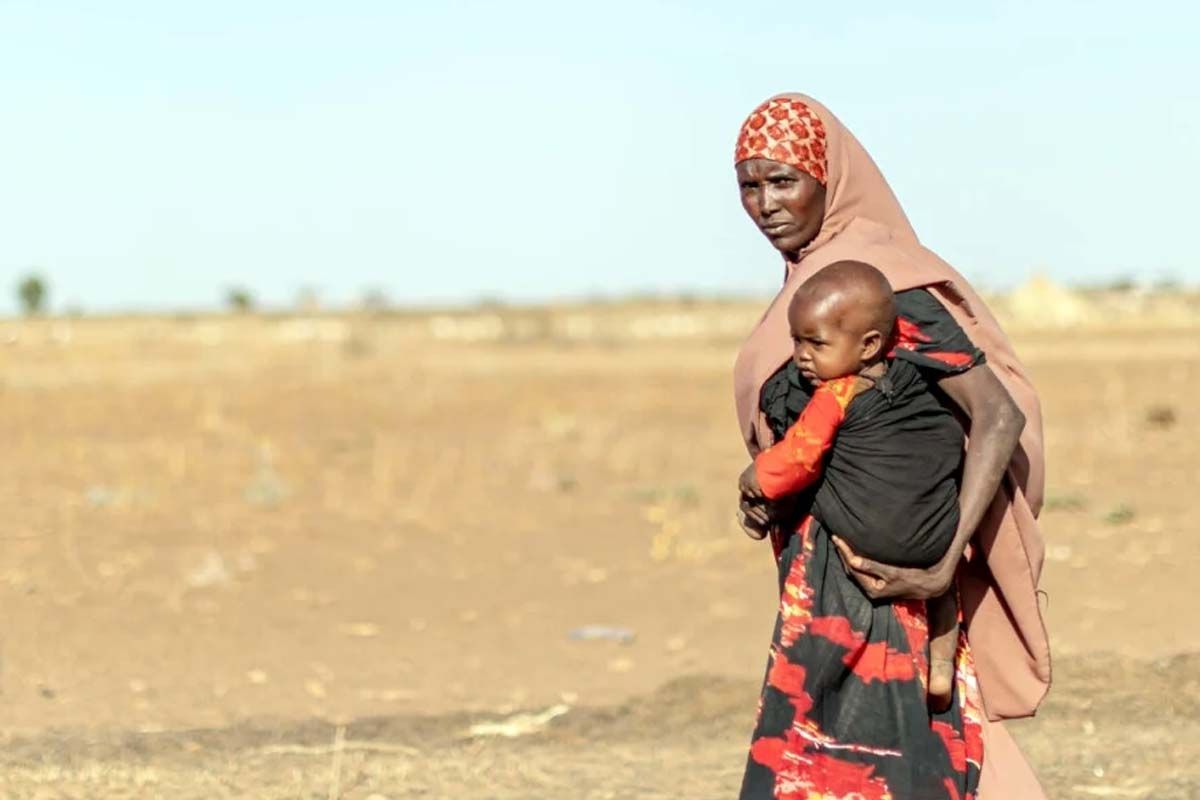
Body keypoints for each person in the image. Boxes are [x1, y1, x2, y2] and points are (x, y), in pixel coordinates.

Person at [731, 94, 1050, 800]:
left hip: (887, 580)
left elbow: (996, 414)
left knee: (888, 756)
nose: (764, 204)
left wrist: (941, 564)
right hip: (828, 576)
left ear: (830, 180)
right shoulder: (817, 291)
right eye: (749, 185)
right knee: (864, 754)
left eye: (783, 181)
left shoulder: (880, 286)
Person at [738, 260, 967, 713]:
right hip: (940, 542)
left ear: (868, 345)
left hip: (874, 545)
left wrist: (755, 477)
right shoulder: (916, 388)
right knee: (945, 594)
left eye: (816, 343)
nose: (801, 356)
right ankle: (941, 664)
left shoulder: (835, 395)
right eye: (796, 341)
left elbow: (797, 460)